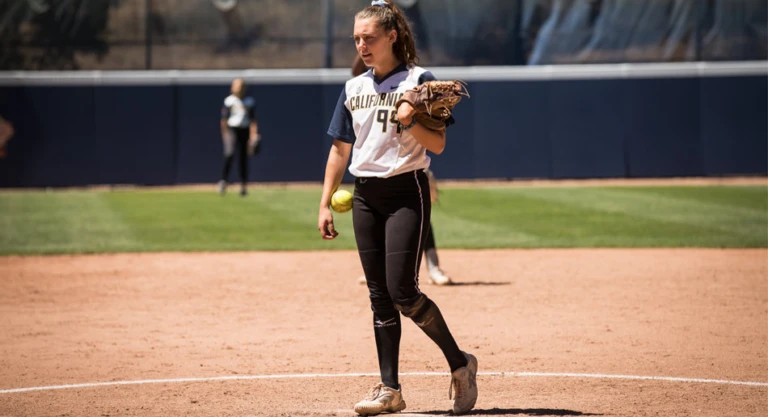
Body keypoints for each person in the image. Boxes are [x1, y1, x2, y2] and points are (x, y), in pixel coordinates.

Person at [317, 1, 477, 415]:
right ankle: (390, 389)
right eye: (356, 38)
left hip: (407, 191)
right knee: (379, 296)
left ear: (392, 36)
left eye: (368, 38)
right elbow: (339, 149)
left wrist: (409, 117)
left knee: (403, 291)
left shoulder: (419, 81)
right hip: (365, 196)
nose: (361, 45)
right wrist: (324, 204)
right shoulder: (354, 88)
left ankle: (460, 365)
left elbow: (438, 145)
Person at [220, 78, 259, 196]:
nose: (238, 88)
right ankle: (223, 181)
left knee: (243, 158)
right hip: (232, 130)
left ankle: (243, 185)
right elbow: (224, 120)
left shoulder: (249, 101)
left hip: (244, 130)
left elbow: (253, 120)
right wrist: (225, 134)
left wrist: (253, 135)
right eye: (236, 86)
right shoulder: (229, 101)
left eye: (241, 86)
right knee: (229, 154)